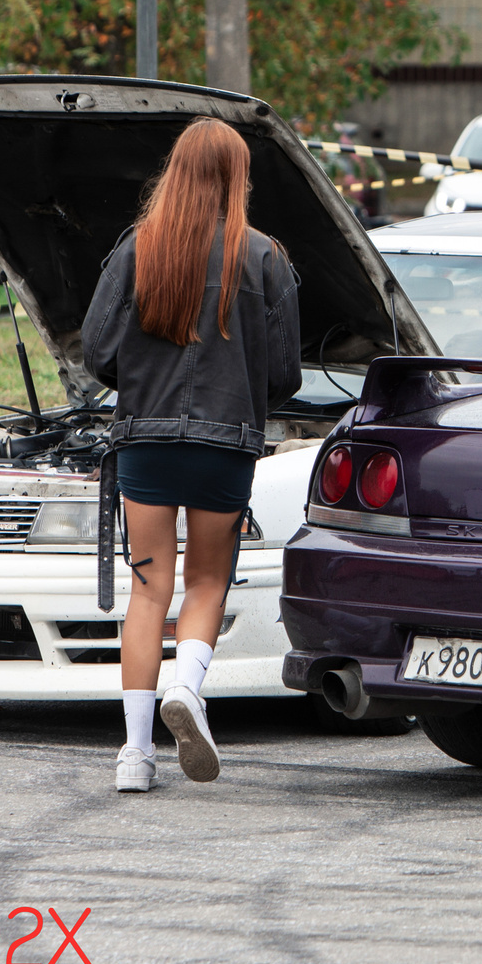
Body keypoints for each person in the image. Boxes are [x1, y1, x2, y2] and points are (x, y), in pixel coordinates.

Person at [82, 119, 303, 793]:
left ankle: (134, 755)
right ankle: (188, 686)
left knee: (148, 591)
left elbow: (97, 352)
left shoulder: (136, 249)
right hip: (225, 446)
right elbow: (285, 374)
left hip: (146, 444)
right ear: (236, 179)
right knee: (207, 581)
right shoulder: (265, 257)